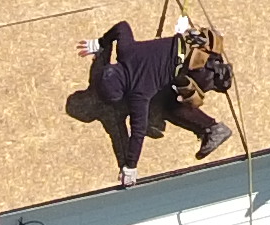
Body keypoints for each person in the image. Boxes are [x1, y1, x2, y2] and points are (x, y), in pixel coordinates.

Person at [91, 17, 233, 185]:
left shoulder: (139, 94)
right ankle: (213, 66)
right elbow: (122, 27)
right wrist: (101, 43)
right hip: (197, 45)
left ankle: (213, 128)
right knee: (169, 81)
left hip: (202, 72)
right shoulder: (126, 51)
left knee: (170, 105)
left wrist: (131, 167)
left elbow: (138, 131)